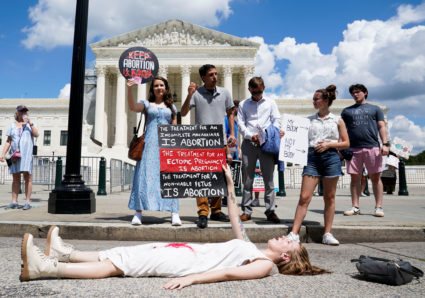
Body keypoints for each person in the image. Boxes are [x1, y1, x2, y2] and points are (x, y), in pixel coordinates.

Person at [20, 165, 330, 288]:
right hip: (181, 252)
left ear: (287, 258)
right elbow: (234, 214)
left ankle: (47, 268)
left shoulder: (263, 264)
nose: (283, 235)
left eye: (289, 241)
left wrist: (192, 280)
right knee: (122, 254)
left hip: (182, 262)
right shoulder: (250, 247)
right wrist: (230, 184)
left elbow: (227, 273)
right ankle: (66, 253)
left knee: (119, 265)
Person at [286, 85, 349, 246]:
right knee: (304, 197)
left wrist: (329, 145)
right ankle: (294, 233)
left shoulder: (337, 120)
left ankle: (327, 233)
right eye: (313, 99)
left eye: (316, 99)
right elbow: (297, 139)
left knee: (329, 197)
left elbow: (346, 143)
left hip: (331, 158)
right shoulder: (308, 120)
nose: (314, 101)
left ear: (326, 100)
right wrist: (285, 135)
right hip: (312, 157)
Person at [181, 64, 236, 228]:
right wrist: (189, 94)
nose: (215, 77)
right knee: (201, 178)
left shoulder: (225, 92)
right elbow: (183, 112)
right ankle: (203, 212)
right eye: (211, 75)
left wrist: (232, 133)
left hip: (219, 140)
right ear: (203, 78)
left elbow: (230, 113)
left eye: (216, 74)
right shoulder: (196, 94)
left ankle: (217, 211)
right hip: (201, 141)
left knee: (218, 177)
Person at [126, 77, 181, 226]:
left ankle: (174, 212)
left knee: (169, 178)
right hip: (149, 144)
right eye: (156, 86)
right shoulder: (146, 104)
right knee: (143, 176)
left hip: (166, 145)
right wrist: (129, 89)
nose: (159, 88)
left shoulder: (172, 108)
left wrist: (175, 149)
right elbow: (132, 107)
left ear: (166, 87)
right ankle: (138, 212)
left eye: (161, 85)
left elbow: (174, 128)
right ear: (152, 89)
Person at [238, 77, 283, 223]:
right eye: (255, 91)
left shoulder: (270, 102)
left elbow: (276, 119)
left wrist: (270, 132)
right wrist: (251, 136)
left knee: (268, 179)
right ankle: (246, 210)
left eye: (260, 91)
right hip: (249, 143)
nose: (258, 94)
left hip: (266, 143)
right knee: (248, 180)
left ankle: (270, 211)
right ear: (249, 89)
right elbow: (241, 124)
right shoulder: (243, 104)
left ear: (264, 88)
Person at [341, 84, 389, 217]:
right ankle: (355, 206)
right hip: (353, 149)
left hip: (372, 146)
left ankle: (378, 207)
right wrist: (341, 147)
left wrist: (385, 143)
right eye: (353, 93)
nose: (355, 95)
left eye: (358, 92)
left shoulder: (375, 109)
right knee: (354, 179)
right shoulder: (346, 111)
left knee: (375, 177)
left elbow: (381, 126)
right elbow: (342, 130)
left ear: (365, 92)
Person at [0, 105, 39, 210]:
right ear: (17, 113)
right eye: (21, 111)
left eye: (25, 111)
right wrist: (3, 154)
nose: (23, 113)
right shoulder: (12, 126)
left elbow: (36, 134)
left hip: (26, 155)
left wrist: (30, 123)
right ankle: (14, 201)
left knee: (28, 178)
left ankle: (27, 202)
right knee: (15, 178)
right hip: (15, 155)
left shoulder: (30, 124)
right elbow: (8, 141)